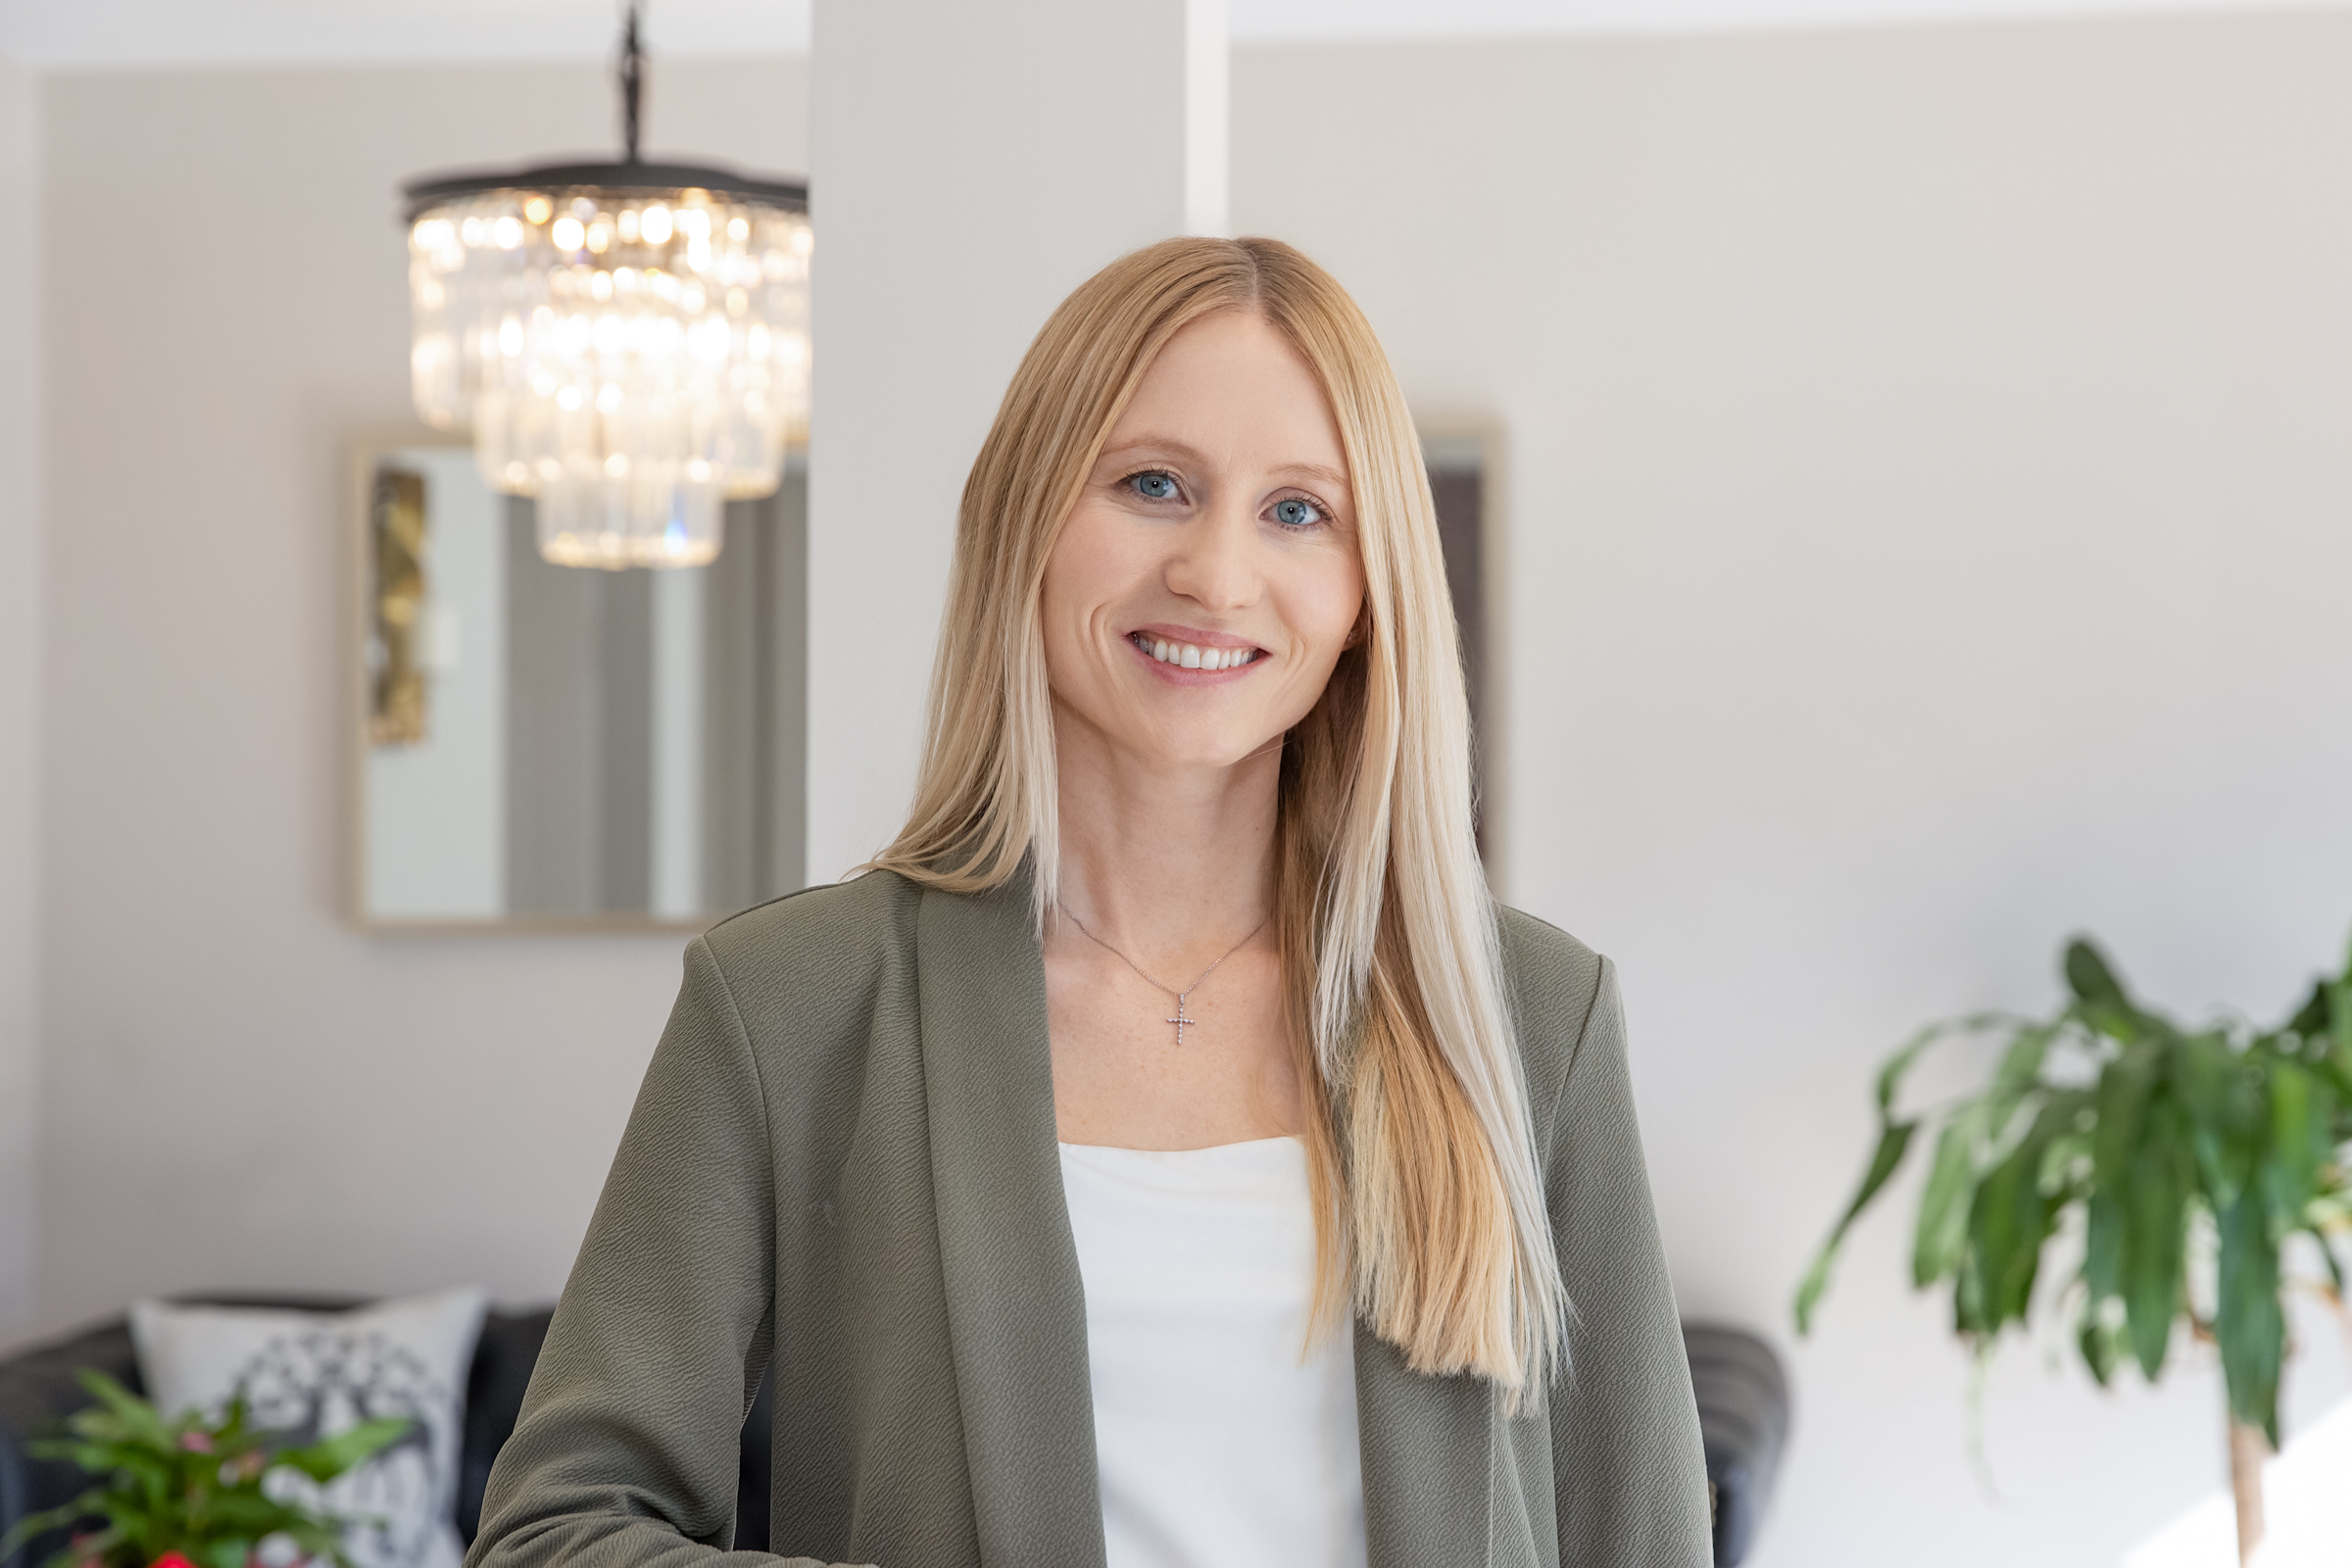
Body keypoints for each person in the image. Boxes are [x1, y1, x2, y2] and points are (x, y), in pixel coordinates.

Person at [468, 237, 1710, 1568]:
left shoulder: (1532, 1020)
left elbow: (1643, 1540)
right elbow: (556, 1532)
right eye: (1154, 485)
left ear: (1365, 595)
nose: (1218, 576)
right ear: (1029, 522)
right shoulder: (794, 1007)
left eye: (1299, 510)